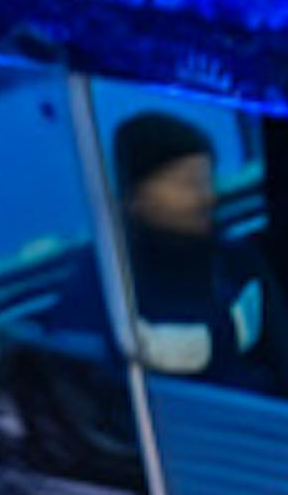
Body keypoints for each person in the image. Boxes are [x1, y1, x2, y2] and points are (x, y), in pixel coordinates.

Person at [110, 113, 266, 386]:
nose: (207, 196)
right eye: (187, 184)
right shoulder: (111, 283)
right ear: (136, 198)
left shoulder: (234, 261)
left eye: (207, 180)